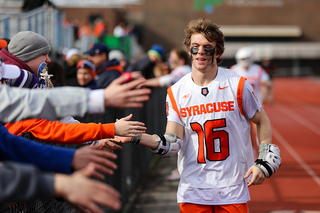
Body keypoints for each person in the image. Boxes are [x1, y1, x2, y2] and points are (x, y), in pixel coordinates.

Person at [117, 18, 281, 212]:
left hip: (231, 187)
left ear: (218, 52)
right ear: (189, 51)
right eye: (195, 47)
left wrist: (263, 160)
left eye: (207, 47)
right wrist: (138, 137)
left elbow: (262, 120)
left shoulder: (237, 85)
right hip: (192, 189)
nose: (200, 52)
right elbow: (172, 142)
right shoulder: (176, 92)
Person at [230, 47, 271, 159]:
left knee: (258, 128)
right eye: (241, 59)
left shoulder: (258, 69)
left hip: (255, 106)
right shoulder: (234, 69)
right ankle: (250, 153)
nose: (243, 61)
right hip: (239, 107)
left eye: (245, 58)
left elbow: (266, 81)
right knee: (244, 132)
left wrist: (267, 86)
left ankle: (262, 152)